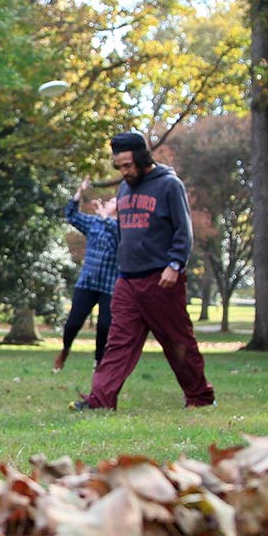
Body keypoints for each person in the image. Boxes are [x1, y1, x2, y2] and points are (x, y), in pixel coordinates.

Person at [73, 131, 215, 411]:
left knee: (178, 342)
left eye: (128, 165)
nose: (124, 171)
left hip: (162, 280)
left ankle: (200, 398)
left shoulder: (169, 185)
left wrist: (175, 264)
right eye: (119, 166)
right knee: (117, 343)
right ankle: (100, 401)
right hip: (127, 280)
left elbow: (183, 230)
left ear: (141, 158)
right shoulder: (125, 188)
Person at [56, 178, 119, 373]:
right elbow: (71, 215)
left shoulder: (122, 228)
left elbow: (119, 237)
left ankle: (99, 363)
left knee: (104, 327)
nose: (107, 203)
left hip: (109, 286)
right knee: (74, 322)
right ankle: (65, 350)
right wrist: (79, 192)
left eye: (112, 203)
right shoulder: (93, 223)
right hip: (88, 283)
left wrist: (103, 215)